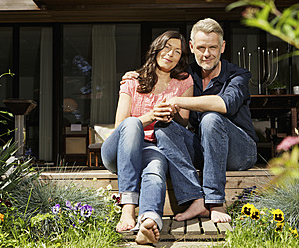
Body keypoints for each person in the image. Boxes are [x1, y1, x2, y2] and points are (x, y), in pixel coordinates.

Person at [122, 18, 258, 223]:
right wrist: (135, 76)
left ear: (222, 47)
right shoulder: (186, 75)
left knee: (212, 118)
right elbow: (160, 72)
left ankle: (215, 201)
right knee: (163, 127)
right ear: (192, 47)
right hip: (205, 150)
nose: (207, 54)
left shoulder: (238, 76)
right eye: (201, 47)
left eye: (213, 47)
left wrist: (178, 100)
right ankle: (195, 199)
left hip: (240, 152)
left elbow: (224, 104)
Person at [101, 30, 193, 244]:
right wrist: (151, 116)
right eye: (167, 47)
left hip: (153, 148)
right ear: (156, 48)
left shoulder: (183, 82)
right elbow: (120, 125)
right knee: (132, 123)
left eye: (178, 51)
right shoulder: (133, 80)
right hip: (119, 149)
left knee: (155, 168)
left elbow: (185, 122)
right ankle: (128, 209)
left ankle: (149, 222)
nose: (171, 54)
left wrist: (172, 114)